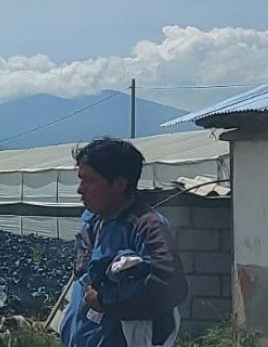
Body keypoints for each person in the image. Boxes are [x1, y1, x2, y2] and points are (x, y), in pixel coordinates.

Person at [60, 138, 189, 347]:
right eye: (80, 179)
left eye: (89, 181)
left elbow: (170, 286)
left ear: (119, 184)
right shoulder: (92, 222)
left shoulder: (145, 225)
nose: (80, 189)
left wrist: (106, 300)